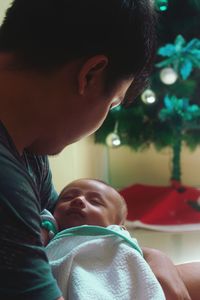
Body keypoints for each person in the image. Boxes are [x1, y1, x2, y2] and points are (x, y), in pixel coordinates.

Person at [0, 0, 198, 299]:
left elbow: (73, 233)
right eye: (113, 103)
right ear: (90, 75)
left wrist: (152, 255)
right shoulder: (7, 186)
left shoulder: (26, 145)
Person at [42, 179, 199, 300]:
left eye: (95, 201)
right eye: (68, 197)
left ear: (119, 227)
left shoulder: (117, 237)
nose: (78, 200)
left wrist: (157, 256)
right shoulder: (50, 229)